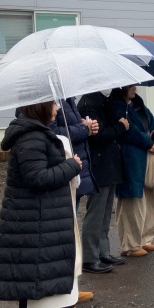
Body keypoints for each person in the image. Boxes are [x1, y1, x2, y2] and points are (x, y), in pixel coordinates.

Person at [0, 100, 83, 308]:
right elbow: (37, 178)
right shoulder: (31, 137)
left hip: (34, 219)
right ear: (39, 107)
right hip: (31, 220)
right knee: (31, 277)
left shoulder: (36, 133)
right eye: (52, 104)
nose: (56, 108)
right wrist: (71, 165)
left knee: (35, 277)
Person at [50, 97, 111, 274]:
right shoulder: (48, 100)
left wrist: (85, 126)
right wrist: (85, 129)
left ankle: (71, 283)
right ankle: (66, 283)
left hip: (74, 169)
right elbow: (54, 133)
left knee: (72, 227)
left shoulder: (67, 99)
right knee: (65, 229)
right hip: (65, 168)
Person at [108, 85, 154, 258]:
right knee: (132, 200)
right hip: (129, 158)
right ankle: (130, 244)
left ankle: (145, 239)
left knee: (150, 196)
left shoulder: (138, 104)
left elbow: (152, 123)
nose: (135, 88)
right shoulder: (116, 106)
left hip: (145, 156)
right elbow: (128, 131)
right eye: (131, 85)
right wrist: (149, 142)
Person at [78, 91, 130, 269]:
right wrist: (120, 127)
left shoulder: (102, 101)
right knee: (96, 212)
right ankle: (90, 257)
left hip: (108, 163)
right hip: (99, 164)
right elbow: (98, 135)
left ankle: (103, 252)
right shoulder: (88, 103)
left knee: (106, 211)